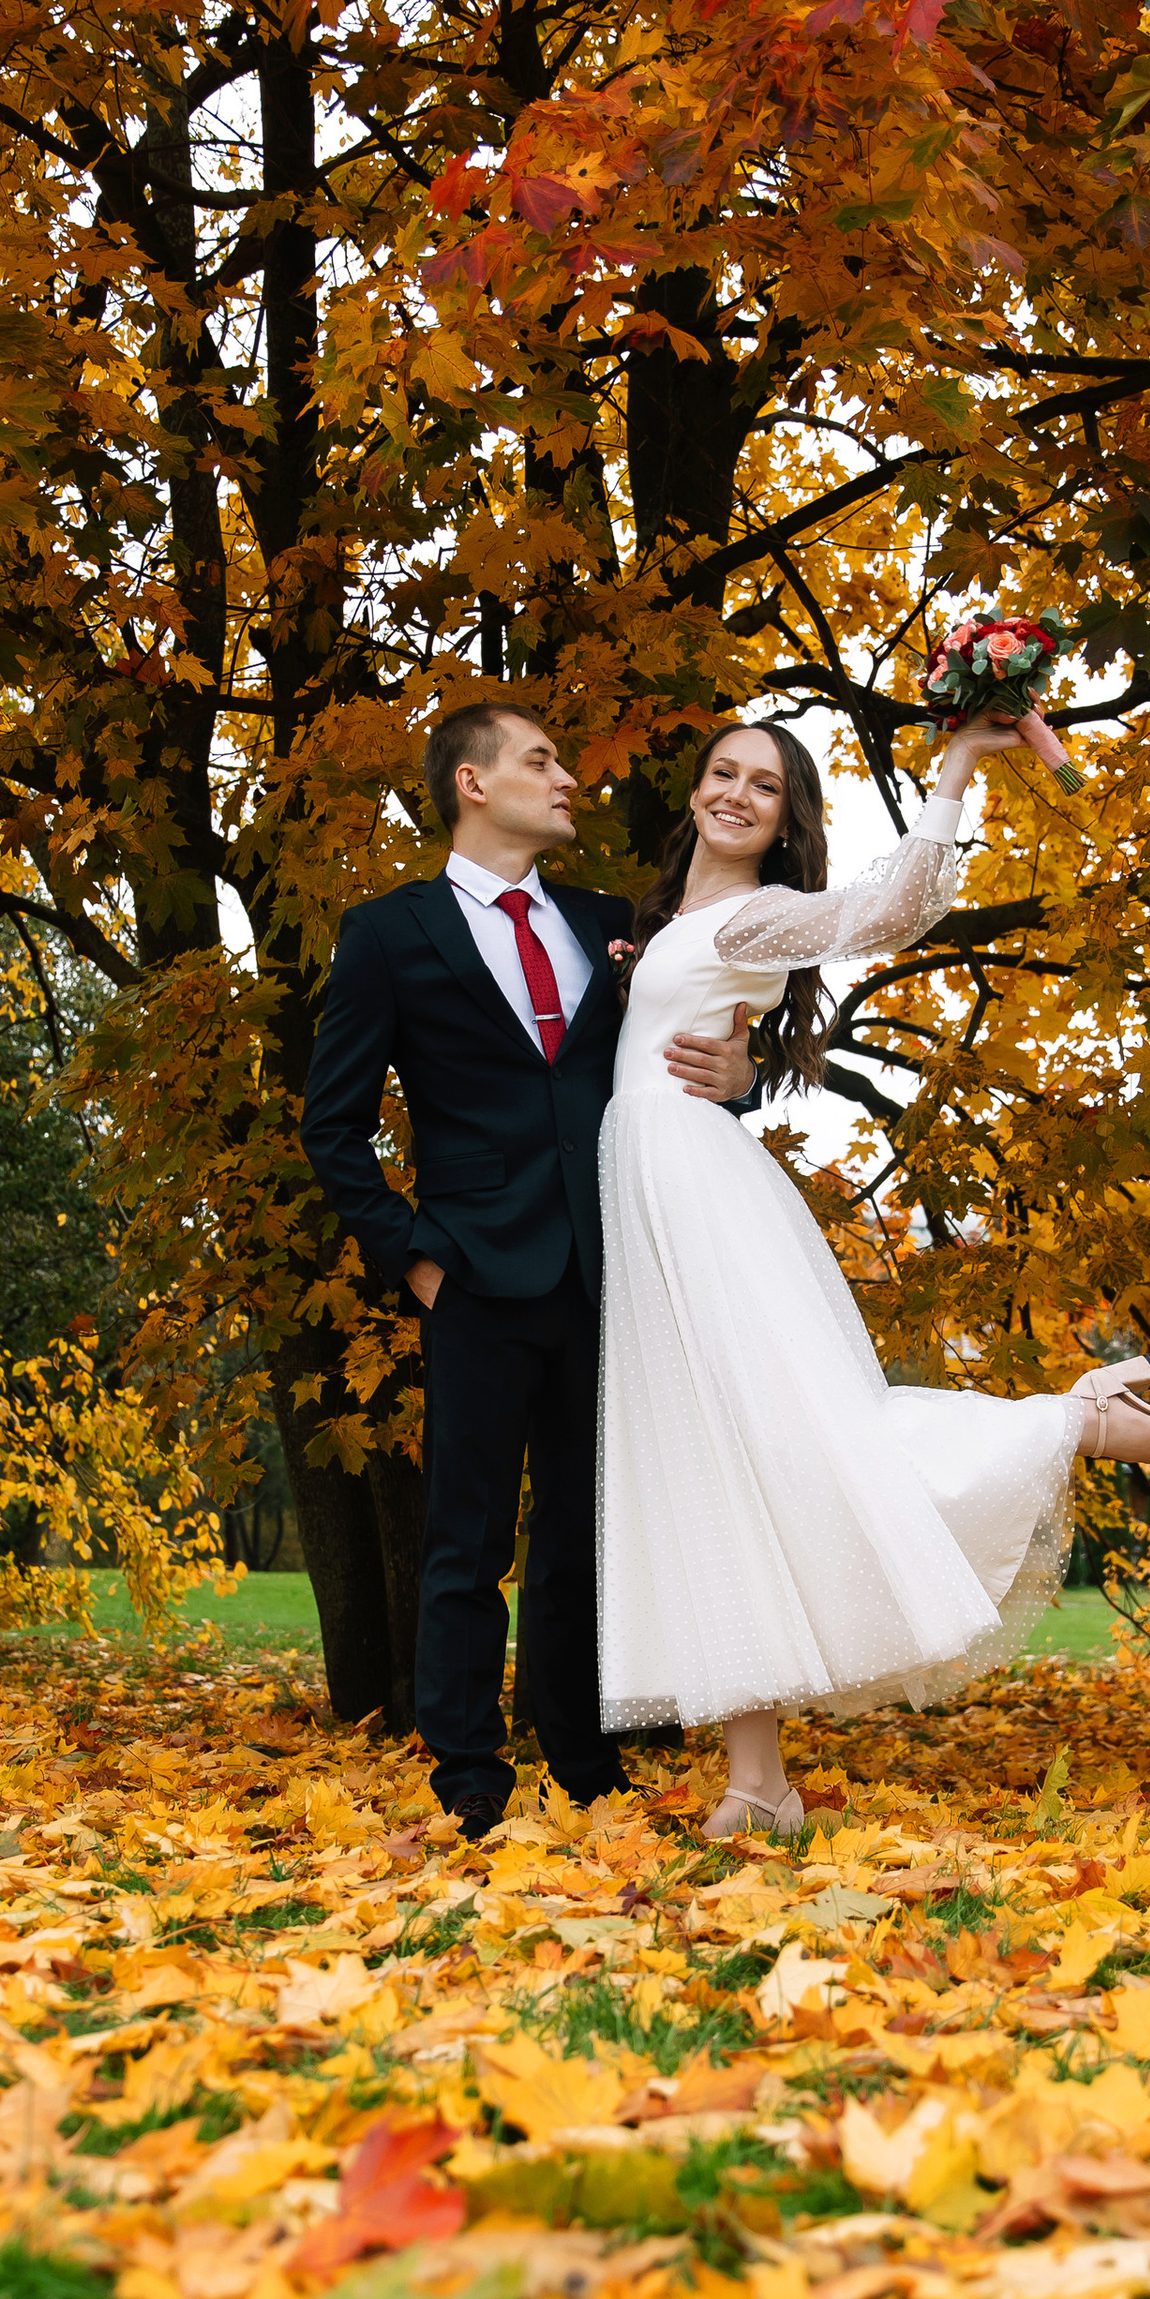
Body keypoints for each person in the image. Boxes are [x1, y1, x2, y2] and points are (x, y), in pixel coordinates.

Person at [598, 712, 1150, 1839]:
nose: (736, 794)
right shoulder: (660, 918)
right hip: (649, 1201)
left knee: (806, 1443)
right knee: (717, 1474)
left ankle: (1115, 1426)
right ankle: (758, 1783)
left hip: (697, 1201)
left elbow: (890, 911)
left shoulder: (753, 916)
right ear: (692, 790)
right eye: (722, 774)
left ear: (787, 822)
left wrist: (957, 769)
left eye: (765, 787)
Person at [302, 702, 756, 1837]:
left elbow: (697, 1037)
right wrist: (411, 1259)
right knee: (465, 1539)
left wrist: (740, 1065)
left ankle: (581, 1761)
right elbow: (333, 1127)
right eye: (542, 761)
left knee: (580, 1537)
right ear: (471, 781)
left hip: (609, 1267)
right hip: (470, 1273)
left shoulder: (611, 923)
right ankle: (467, 1777)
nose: (566, 781)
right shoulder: (389, 934)